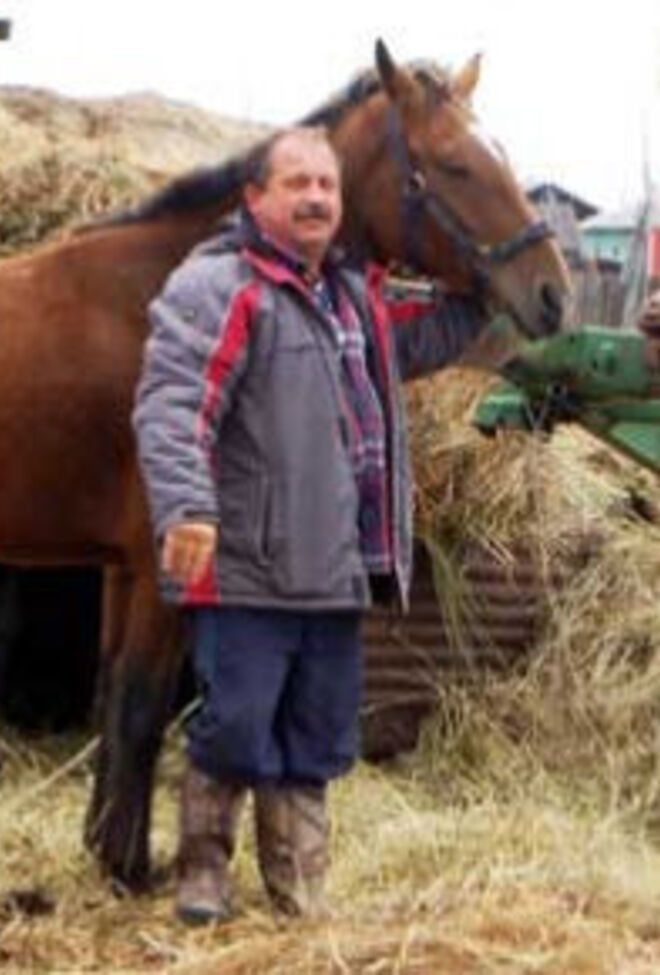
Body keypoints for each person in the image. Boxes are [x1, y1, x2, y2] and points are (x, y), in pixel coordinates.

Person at [132, 127, 491, 924]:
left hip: (337, 567)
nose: (316, 198)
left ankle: (299, 888)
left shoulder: (352, 296)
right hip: (250, 564)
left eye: (326, 185)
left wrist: (492, 280)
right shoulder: (222, 286)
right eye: (296, 182)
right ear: (255, 198)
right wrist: (187, 505)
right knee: (234, 724)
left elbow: (428, 337)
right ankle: (204, 875)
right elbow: (173, 401)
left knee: (318, 732)